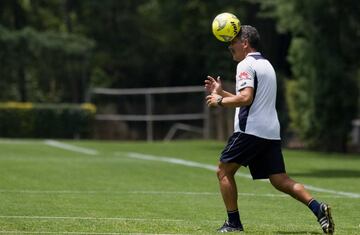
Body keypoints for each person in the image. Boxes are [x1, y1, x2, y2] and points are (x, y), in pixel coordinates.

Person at [204, 25, 335, 234]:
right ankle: (318, 208)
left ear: (245, 43)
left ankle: (233, 223)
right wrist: (223, 93)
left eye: (232, 42)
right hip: (270, 132)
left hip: (250, 131)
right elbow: (251, 100)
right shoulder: (265, 64)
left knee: (223, 171)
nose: (230, 46)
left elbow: (246, 99)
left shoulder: (245, 65)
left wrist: (219, 101)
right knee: (280, 180)